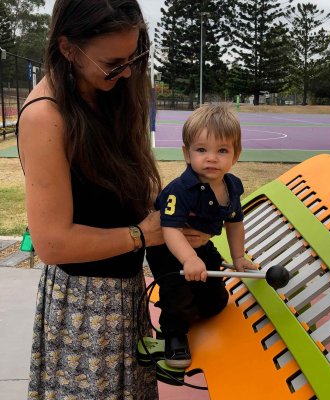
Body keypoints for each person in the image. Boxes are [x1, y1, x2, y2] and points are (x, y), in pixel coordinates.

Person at [17, 1, 209, 398]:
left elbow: (115, 188)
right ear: (68, 48)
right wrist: (143, 235)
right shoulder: (46, 118)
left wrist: (172, 213)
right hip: (86, 309)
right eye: (113, 62)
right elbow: (52, 243)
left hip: (124, 293)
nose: (126, 72)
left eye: (135, 57)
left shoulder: (106, 91)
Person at [146, 104, 257, 369]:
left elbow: (235, 222)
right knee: (178, 294)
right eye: (201, 150)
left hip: (201, 247)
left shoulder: (232, 187)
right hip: (170, 251)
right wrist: (188, 258)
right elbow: (169, 228)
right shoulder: (181, 190)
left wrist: (238, 256)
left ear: (235, 154)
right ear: (186, 153)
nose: (211, 158)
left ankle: (189, 311)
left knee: (217, 300)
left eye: (222, 151)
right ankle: (173, 333)